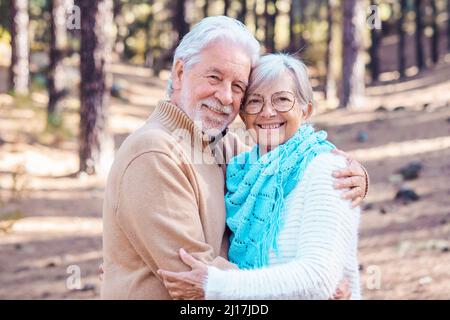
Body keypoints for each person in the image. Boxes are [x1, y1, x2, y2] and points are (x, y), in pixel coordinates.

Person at [101, 16, 368, 299]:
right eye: (214, 77)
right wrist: (308, 290)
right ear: (179, 73)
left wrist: (356, 175)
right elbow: (196, 280)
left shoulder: (225, 148)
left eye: (238, 86)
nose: (226, 96)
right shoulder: (154, 152)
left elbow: (287, 162)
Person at [158, 54, 362, 300]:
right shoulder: (242, 171)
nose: (267, 112)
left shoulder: (328, 170)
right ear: (243, 114)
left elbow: (318, 279)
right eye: (254, 102)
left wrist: (215, 286)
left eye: (282, 100)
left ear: (306, 110)